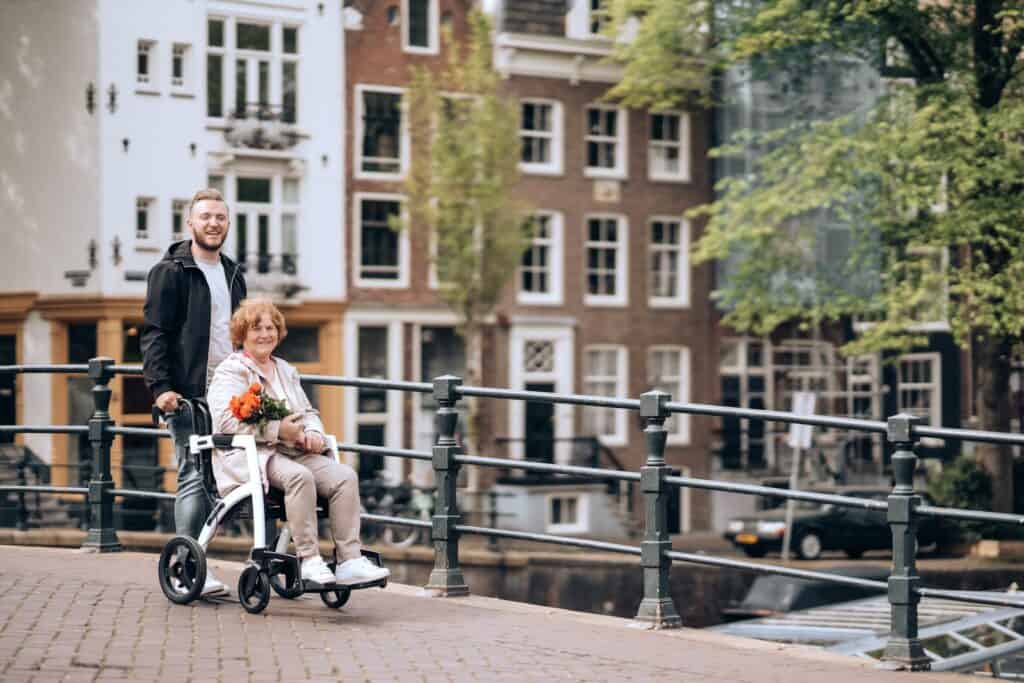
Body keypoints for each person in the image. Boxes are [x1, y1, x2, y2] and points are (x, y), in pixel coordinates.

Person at [207, 299, 390, 587]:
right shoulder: (231, 372)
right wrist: (279, 430)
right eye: (257, 328)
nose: (265, 334)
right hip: (253, 455)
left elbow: (308, 413)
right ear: (242, 333)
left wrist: (314, 433)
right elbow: (227, 422)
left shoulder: (285, 370)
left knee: (344, 477)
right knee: (299, 477)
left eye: (270, 327)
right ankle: (309, 559)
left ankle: (349, 560)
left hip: (293, 450)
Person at [141, 188, 246, 597]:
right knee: (192, 475)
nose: (214, 223)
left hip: (228, 394)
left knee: (219, 481)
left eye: (220, 217)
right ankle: (187, 569)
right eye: (206, 217)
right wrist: (162, 388)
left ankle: (197, 562)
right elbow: (155, 335)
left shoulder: (234, 273)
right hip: (186, 394)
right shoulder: (171, 271)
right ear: (191, 223)